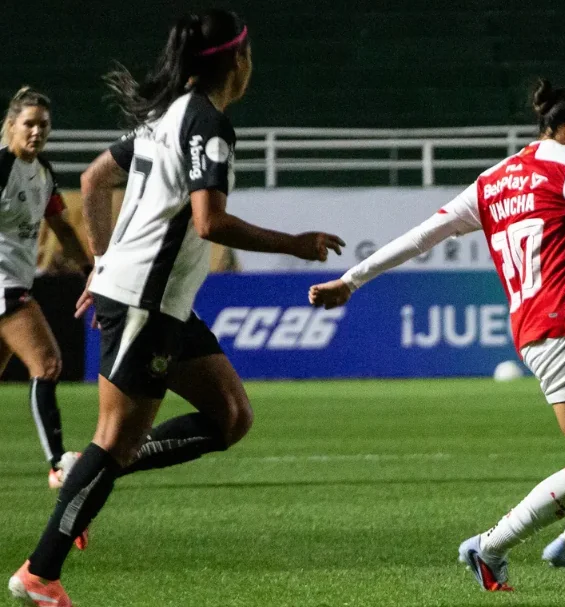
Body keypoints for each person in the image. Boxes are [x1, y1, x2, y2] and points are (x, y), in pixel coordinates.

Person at [309, 80, 565, 592]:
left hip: (550, 328)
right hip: (564, 330)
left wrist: (350, 281)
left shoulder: (493, 180)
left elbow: (423, 235)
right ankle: (490, 545)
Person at [9, 10, 344, 606]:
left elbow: (93, 179)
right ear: (236, 62)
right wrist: (294, 244)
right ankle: (40, 573)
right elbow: (208, 222)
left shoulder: (165, 115)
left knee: (230, 415)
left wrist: (102, 263)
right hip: (145, 300)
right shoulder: (207, 122)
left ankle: (87, 474)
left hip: (160, 300)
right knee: (115, 440)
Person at [0, 87, 91, 490]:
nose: (37, 131)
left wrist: (91, 269)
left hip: (16, 280)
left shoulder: (43, 173)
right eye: (29, 124)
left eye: (44, 125)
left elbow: (61, 228)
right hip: (4, 286)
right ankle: (58, 464)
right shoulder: (1, 167)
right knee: (48, 364)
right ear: (11, 126)